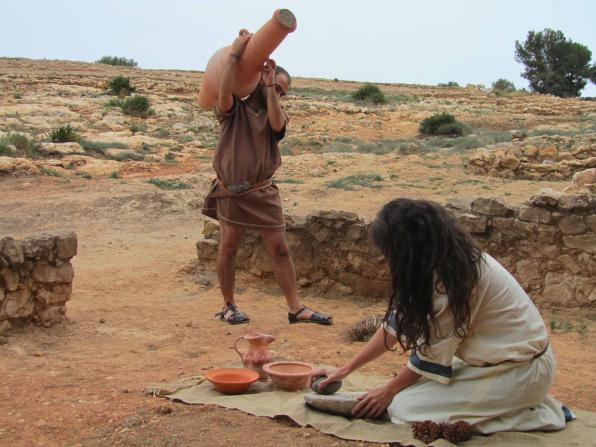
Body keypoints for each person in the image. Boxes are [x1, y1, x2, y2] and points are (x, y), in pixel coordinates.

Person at [310, 198, 572, 434]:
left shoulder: (455, 279)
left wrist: (388, 392)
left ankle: (538, 413)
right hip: (494, 365)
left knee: (403, 408)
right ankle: (512, 405)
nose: (386, 259)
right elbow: (396, 325)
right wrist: (345, 370)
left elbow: (428, 358)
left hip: (521, 371)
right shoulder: (438, 266)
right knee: (407, 392)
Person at [201, 29, 332, 326]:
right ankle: (229, 306)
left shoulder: (277, 114)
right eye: (276, 87)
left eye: (284, 92)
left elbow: (276, 125)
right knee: (228, 248)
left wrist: (273, 87)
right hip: (231, 192)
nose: (279, 94)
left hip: (263, 193)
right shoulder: (234, 110)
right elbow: (222, 94)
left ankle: (296, 309)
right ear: (259, 78)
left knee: (280, 249)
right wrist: (235, 54)